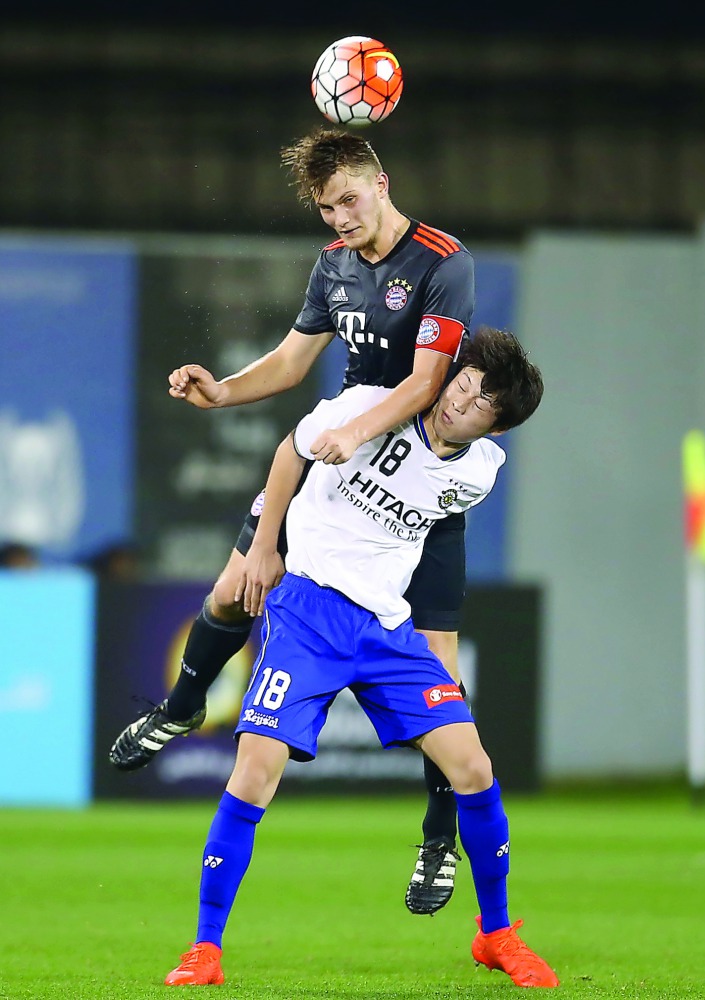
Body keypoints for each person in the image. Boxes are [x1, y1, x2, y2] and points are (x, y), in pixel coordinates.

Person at [110, 125, 476, 914]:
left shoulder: (443, 261)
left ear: (381, 183)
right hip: (338, 472)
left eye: (348, 199)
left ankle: (437, 844)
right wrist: (223, 389)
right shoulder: (333, 266)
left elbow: (426, 382)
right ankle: (180, 708)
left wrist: (353, 430)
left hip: (416, 484)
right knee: (232, 590)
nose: (339, 218)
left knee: (443, 679)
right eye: (325, 208)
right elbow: (290, 360)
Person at [162, 328, 558, 989]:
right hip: (308, 613)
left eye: (485, 399)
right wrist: (264, 549)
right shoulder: (368, 404)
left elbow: (424, 517)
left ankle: (495, 935)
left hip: (384, 629)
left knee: (473, 765)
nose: (464, 397)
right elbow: (290, 454)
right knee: (254, 772)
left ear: (499, 424)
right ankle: (205, 949)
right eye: (465, 379)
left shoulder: (479, 472)